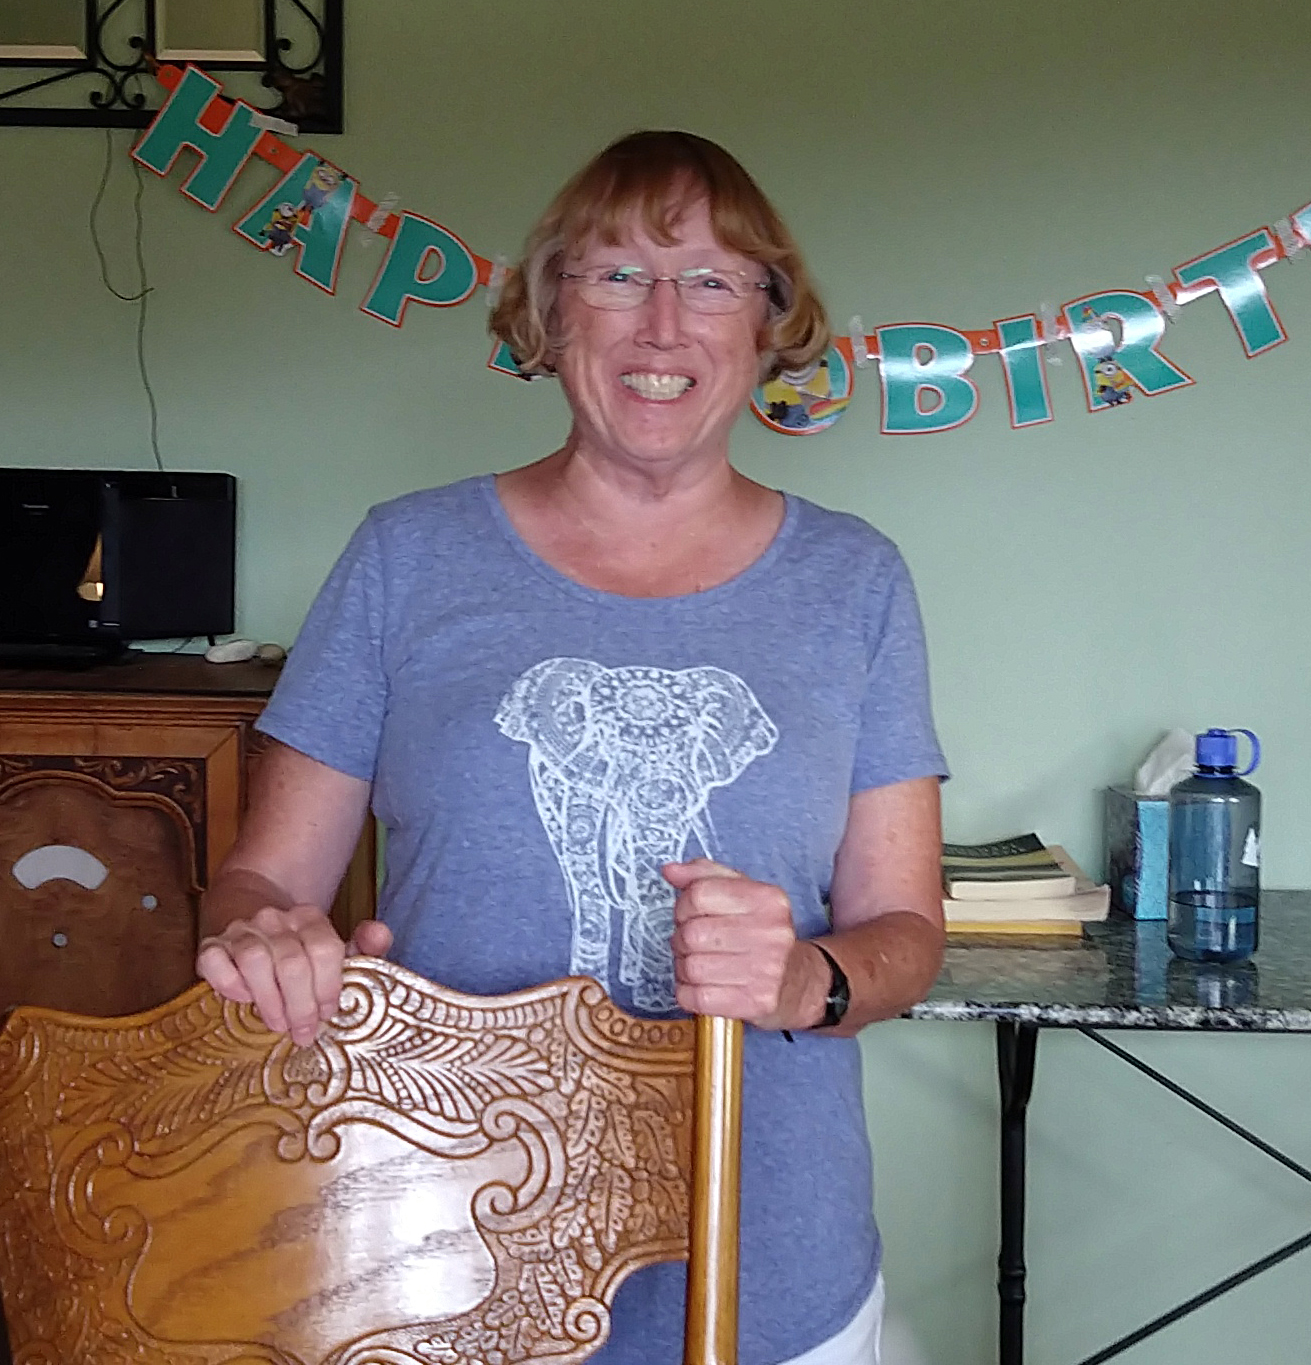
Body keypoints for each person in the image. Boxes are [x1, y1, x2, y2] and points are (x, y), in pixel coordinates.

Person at [197, 129, 949, 1365]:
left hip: (770, 1261)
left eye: (711, 280)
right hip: (443, 1249)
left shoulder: (855, 581)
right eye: (617, 275)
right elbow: (260, 881)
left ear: (768, 323)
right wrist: (265, 939)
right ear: (551, 313)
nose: (663, 324)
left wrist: (803, 981)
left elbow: (905, 932)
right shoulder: (404, 558)